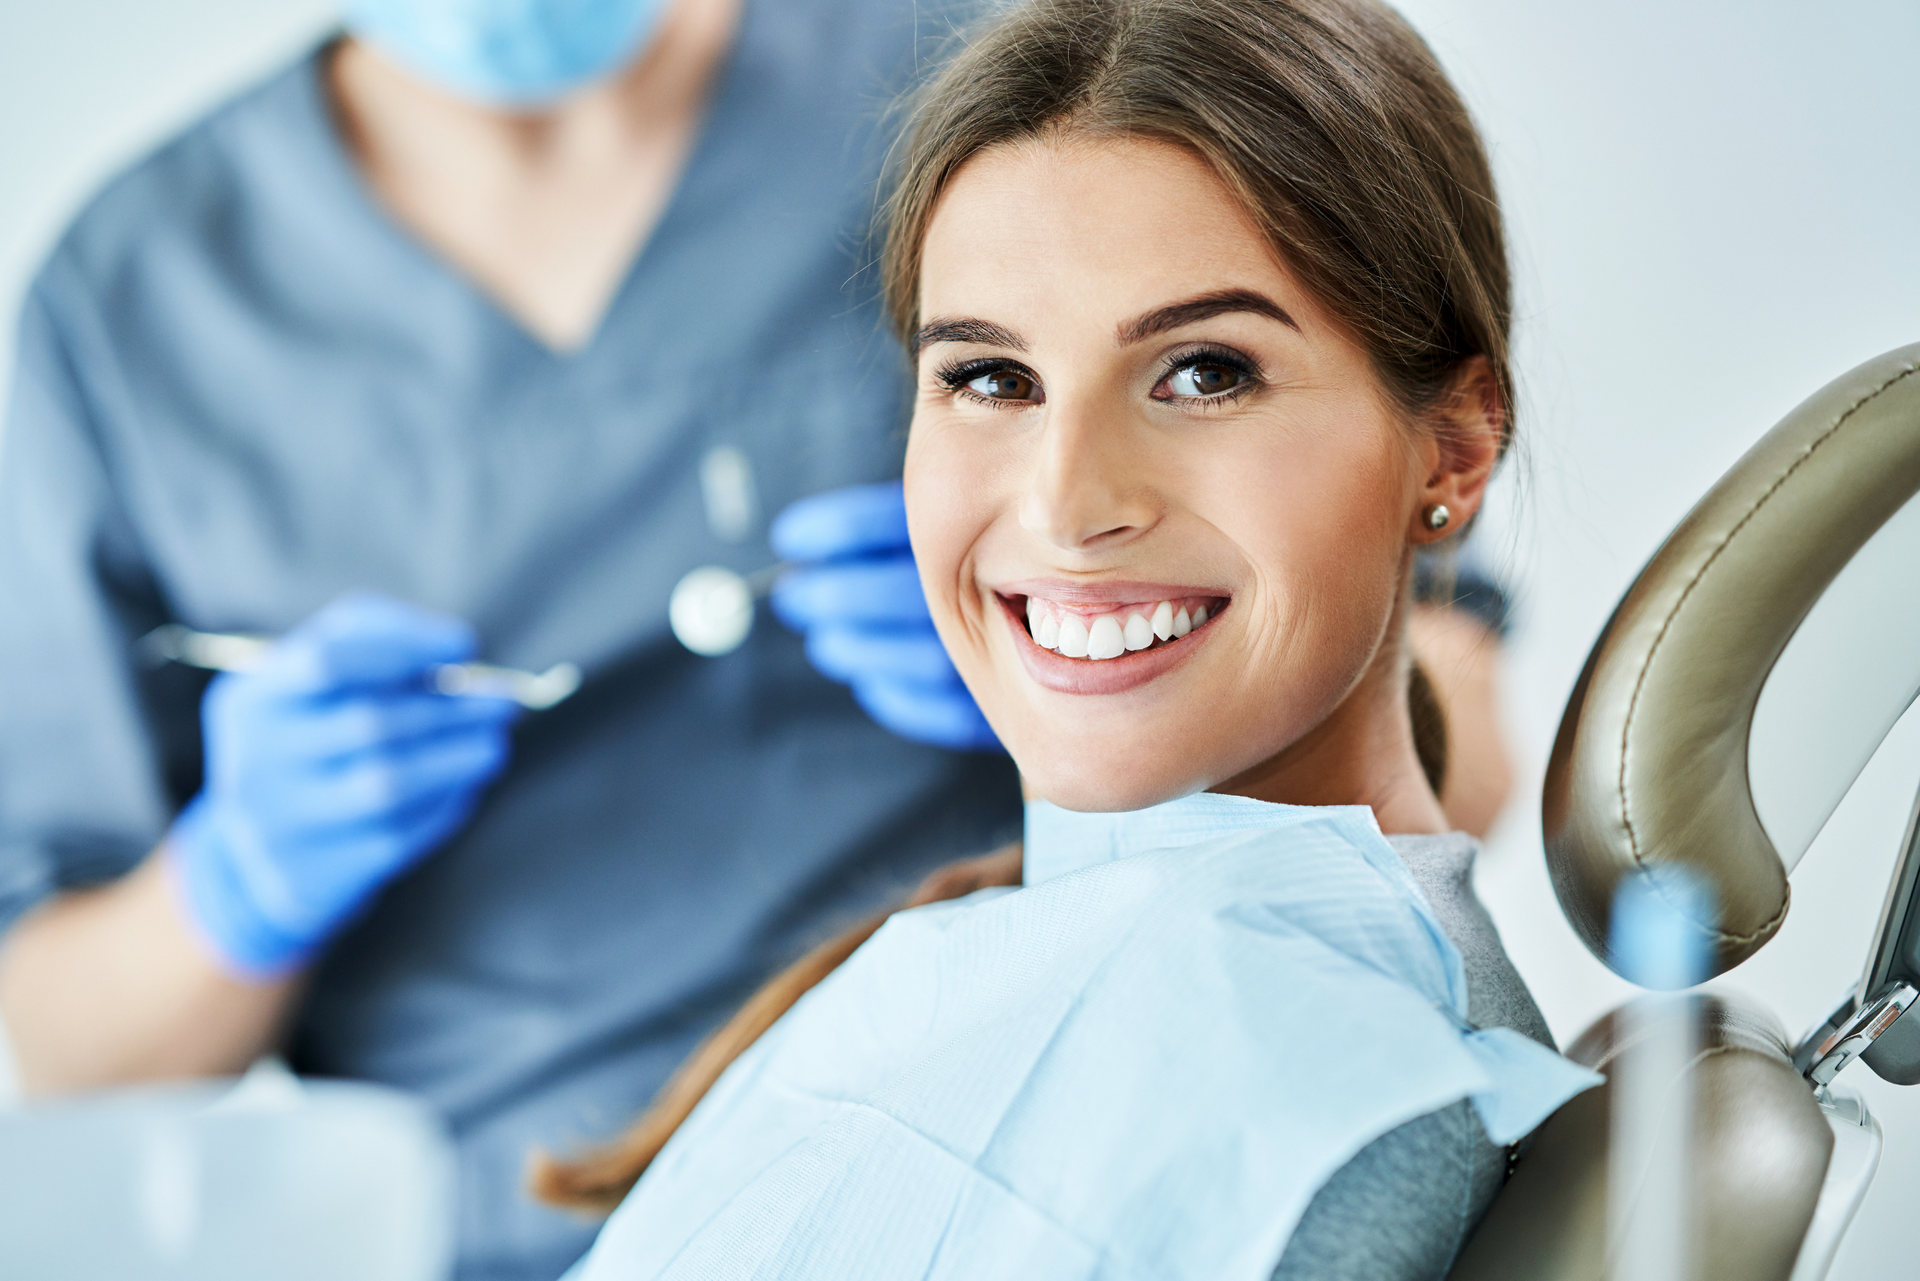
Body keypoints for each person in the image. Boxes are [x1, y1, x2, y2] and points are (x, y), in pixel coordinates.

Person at [542, 0, 1592, 1276]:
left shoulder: (1305, 1089)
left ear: (1457, 446)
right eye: (991, 378)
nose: (1064, 505)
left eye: (1205, 372)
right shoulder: (1037, 953)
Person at [0, 3, 1027, 1278]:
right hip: (526, 1228)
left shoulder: (985, 83)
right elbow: (73, 1054)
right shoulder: (136, 299)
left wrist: (1064, 677)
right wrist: (236, 889)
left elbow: (1324, 648)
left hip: (1012, 1138)